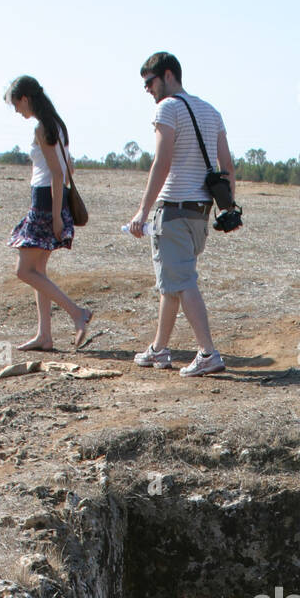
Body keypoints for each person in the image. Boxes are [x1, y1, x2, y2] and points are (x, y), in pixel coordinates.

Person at [129, 52, 233, 377]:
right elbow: (227, 166)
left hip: (172, 209)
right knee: (171, 282)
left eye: (150, 82)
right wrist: (229, 207)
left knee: (182, 280)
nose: (147, 89)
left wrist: (143, 212)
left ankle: (207, 353)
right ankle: (159, 349)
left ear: (169, 75)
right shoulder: (211, 111)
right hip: (200, 213)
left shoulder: (168, 108)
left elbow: (162, 163)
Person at [4, 76, 92, 351]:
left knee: (24, 270)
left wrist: (55, 217)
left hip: (45, 201)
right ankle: (44, 335)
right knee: (38, 270)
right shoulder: (57, 124)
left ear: (25, 98)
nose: (17, 111)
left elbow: (56, 173)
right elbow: (69, 169)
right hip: (52, 200)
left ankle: (77, 312)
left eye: (16, 104)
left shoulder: (43, 128)